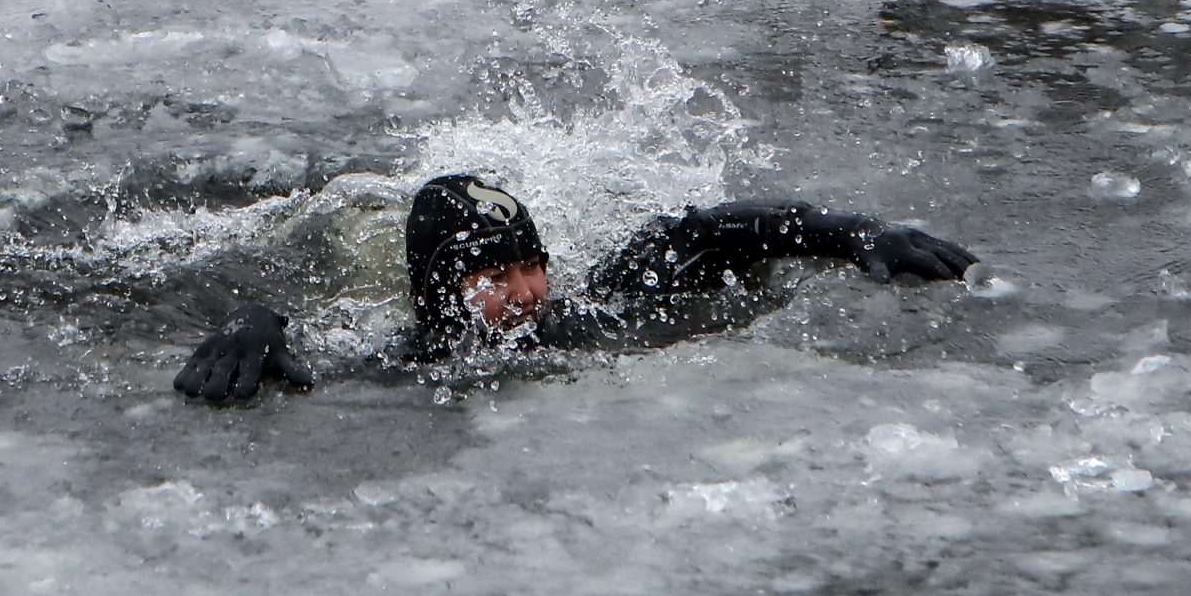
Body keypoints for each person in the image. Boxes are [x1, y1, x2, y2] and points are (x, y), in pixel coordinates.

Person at [171, 173, 975, 403]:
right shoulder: (411, 358)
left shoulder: (596, 307)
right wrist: (252, 323)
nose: (526, 291)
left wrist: (852, 232)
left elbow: (694, 229)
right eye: (493, 274)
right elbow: (312, 350)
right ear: (438, 292)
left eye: (533, 262)